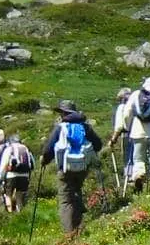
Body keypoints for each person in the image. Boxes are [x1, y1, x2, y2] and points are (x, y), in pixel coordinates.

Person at [40, 100, 104, 236]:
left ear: (64, 113)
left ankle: (70, 233)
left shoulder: (60, 127)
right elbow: (98, 145)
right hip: (82, 167)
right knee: (76, 191)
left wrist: (45, 161)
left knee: (66, 200)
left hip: (65, 168)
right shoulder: (85, 127)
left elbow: (48, 150)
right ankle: (79, 223)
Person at [0, 133, 34, 213]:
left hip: (11, 175)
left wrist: (1, 177)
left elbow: (4, 163)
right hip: (24, 175)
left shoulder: (9, 148)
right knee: (20, 195)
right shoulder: (26, 148)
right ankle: (19, 213)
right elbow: (32, 163)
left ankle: (10, 212)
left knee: (8, 195)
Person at [108, 86, 134, 186]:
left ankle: (129, 178)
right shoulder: (135, 106)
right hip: (139, 134)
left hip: (127, 135)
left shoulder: (122, 107)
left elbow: (119, 126)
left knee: (128, 157)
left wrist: (113, 139)